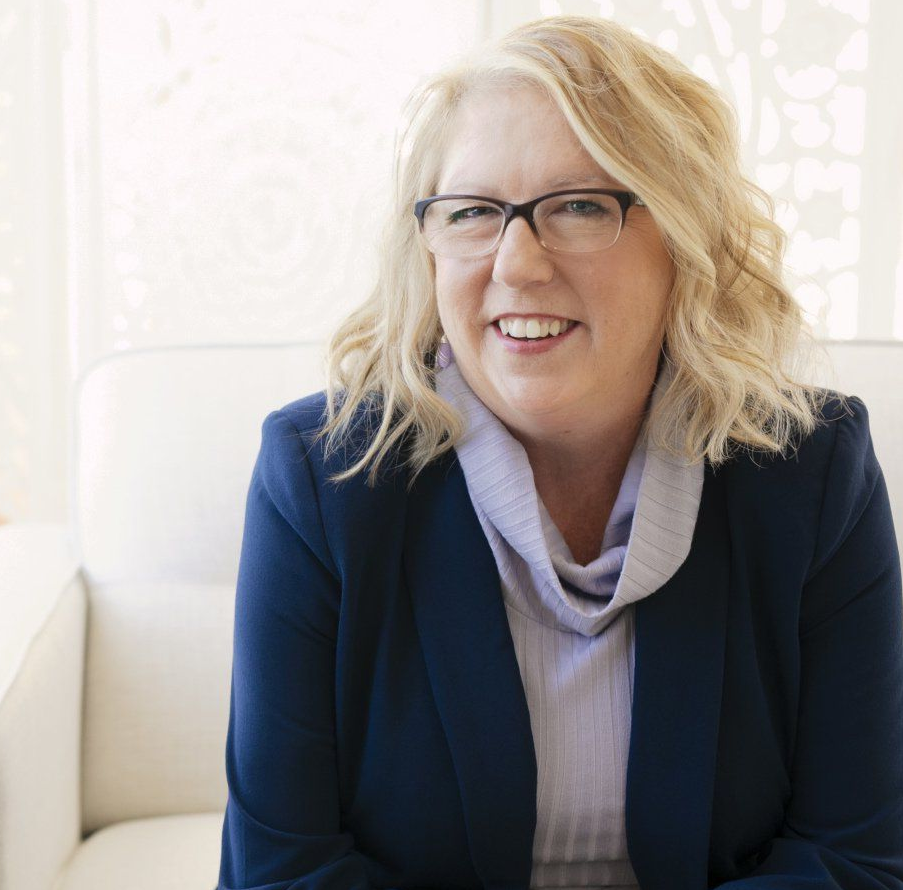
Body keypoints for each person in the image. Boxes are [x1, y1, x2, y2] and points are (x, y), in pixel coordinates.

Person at [216, 14, 903, 890]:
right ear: (425, 249)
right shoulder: (322, 479)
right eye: (470, 212)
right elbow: (281, 872)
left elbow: (851, 860)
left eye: (579, 205)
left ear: (685, 242)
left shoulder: (811, 473)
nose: (516, 262)